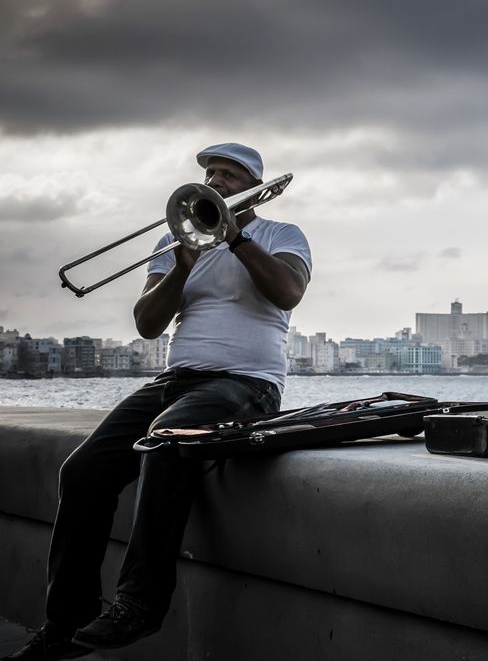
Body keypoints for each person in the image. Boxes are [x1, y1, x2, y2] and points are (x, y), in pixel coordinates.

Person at [7, 143, 312, 660]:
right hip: (176, 379)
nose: (216, 182)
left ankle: (139, 605)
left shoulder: (280, 235)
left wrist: (234, 238)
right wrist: (181, 264)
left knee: (166, 442)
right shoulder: (173, 239)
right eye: (210, 174)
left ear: (256, 187)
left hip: (245, 383)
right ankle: (65, 624)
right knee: (81, 474)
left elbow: (288, 292)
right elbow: (147, 324)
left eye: (229, 176)